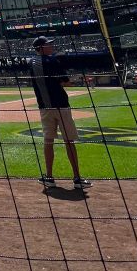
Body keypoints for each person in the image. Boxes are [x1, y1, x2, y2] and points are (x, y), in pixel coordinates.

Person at [30, 37, 91, 190]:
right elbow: (66, 82)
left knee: (48, 141)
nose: (52, 46)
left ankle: (49, 177)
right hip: (61, 106)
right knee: (69, 141)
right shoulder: (53, 61)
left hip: (44, 107)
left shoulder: (31, 63)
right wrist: (78, 80)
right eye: (49, 44)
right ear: (41, 47)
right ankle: (77, 178)